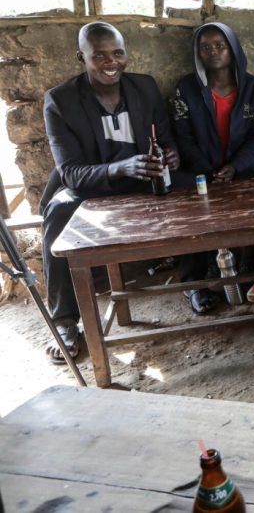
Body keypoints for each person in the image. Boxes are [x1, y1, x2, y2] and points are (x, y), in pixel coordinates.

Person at [40, 22, 182, 363]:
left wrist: (170, 154)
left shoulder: (144, 88)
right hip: (91, 186)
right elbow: (71, 172)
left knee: (200, 187)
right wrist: (120, 168)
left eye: (118, 53)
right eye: (99, 55)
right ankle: (64, 321)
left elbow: (163, 138)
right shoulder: (61, 101)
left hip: (143, 178)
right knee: (58, 213)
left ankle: (202, 282)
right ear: (82, 57)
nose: (111, 62)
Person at [171, 22, 254, 314]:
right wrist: (207, 170)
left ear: (233, 49)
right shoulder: (186, 89)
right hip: (199, 171)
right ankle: (194, 284)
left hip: (243, 169)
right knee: (192, 215)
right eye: (205, 47)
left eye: (220, 45)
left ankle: (250, 270)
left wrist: (235, 166)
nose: (213, 52)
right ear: (197, 53)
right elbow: (182, 134)